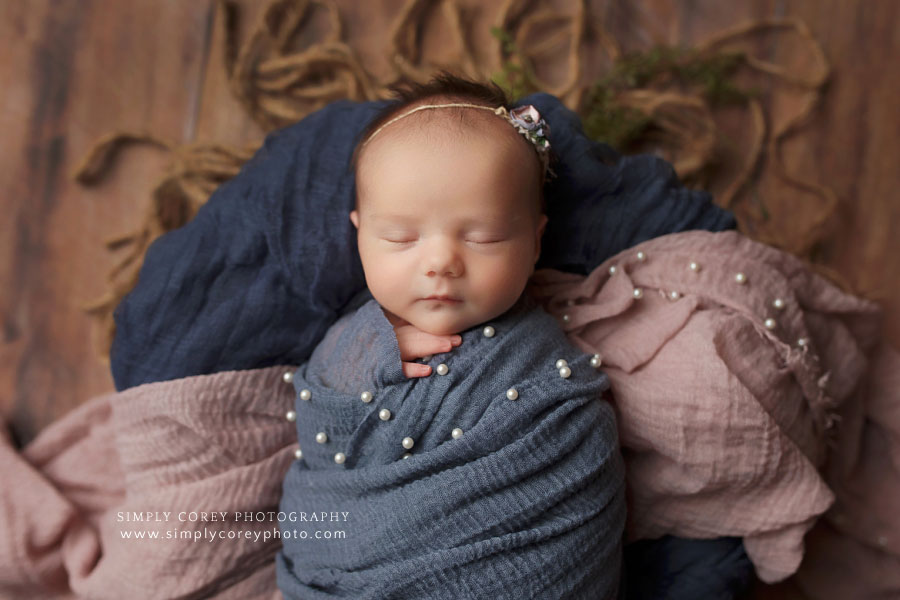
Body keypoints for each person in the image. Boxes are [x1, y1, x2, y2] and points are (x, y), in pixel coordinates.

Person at [276, 72, 625, 600]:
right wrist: (367, 350)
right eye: (401, 237)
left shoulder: (550, 381)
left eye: (482, 236)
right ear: (361, 236)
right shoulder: (349, 339)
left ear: (535, 242)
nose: (441, 262)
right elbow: (318, 420)